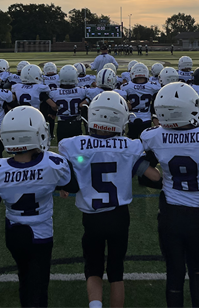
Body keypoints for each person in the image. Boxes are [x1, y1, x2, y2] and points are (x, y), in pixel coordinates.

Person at [59, 91, 161, 308]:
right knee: (116, 270)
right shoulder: (130, 147)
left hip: (92, 217)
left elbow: (64, 175)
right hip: (118, 216)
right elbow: (153, 176)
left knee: (93, 267)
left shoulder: (73, 145)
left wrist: (63, 186)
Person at [0, 106, 73, 308]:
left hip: (14, 234)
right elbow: (66, 182)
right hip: (41, 235)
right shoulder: (54, 164)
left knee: (24, 280)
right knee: (40, 289)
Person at [140, 82, 199, 308]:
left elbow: (144, 174)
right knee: (198, 265)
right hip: (198, 213)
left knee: (174, 270)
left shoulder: (153, 136)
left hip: (170, 212)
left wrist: (163, 182)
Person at [46, 65, 87, 142]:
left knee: (63, 148)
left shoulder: (53, 93)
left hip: (62, 124)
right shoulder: (82, 91)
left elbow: (44, 97)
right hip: (76, 124)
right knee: (77, 148)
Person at [121, 63, 161, 139]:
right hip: (146, 118)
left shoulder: (126, 87)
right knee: (146, 140)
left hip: (132, 118)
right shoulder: (153, 86)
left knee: (132, 142)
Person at [43, 62, 60, 138]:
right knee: (52, 118)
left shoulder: (42, 78)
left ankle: (45, 133)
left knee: (44, 118)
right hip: (56, 99)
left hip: (46, 100)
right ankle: (51, 134)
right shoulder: (58, 77)